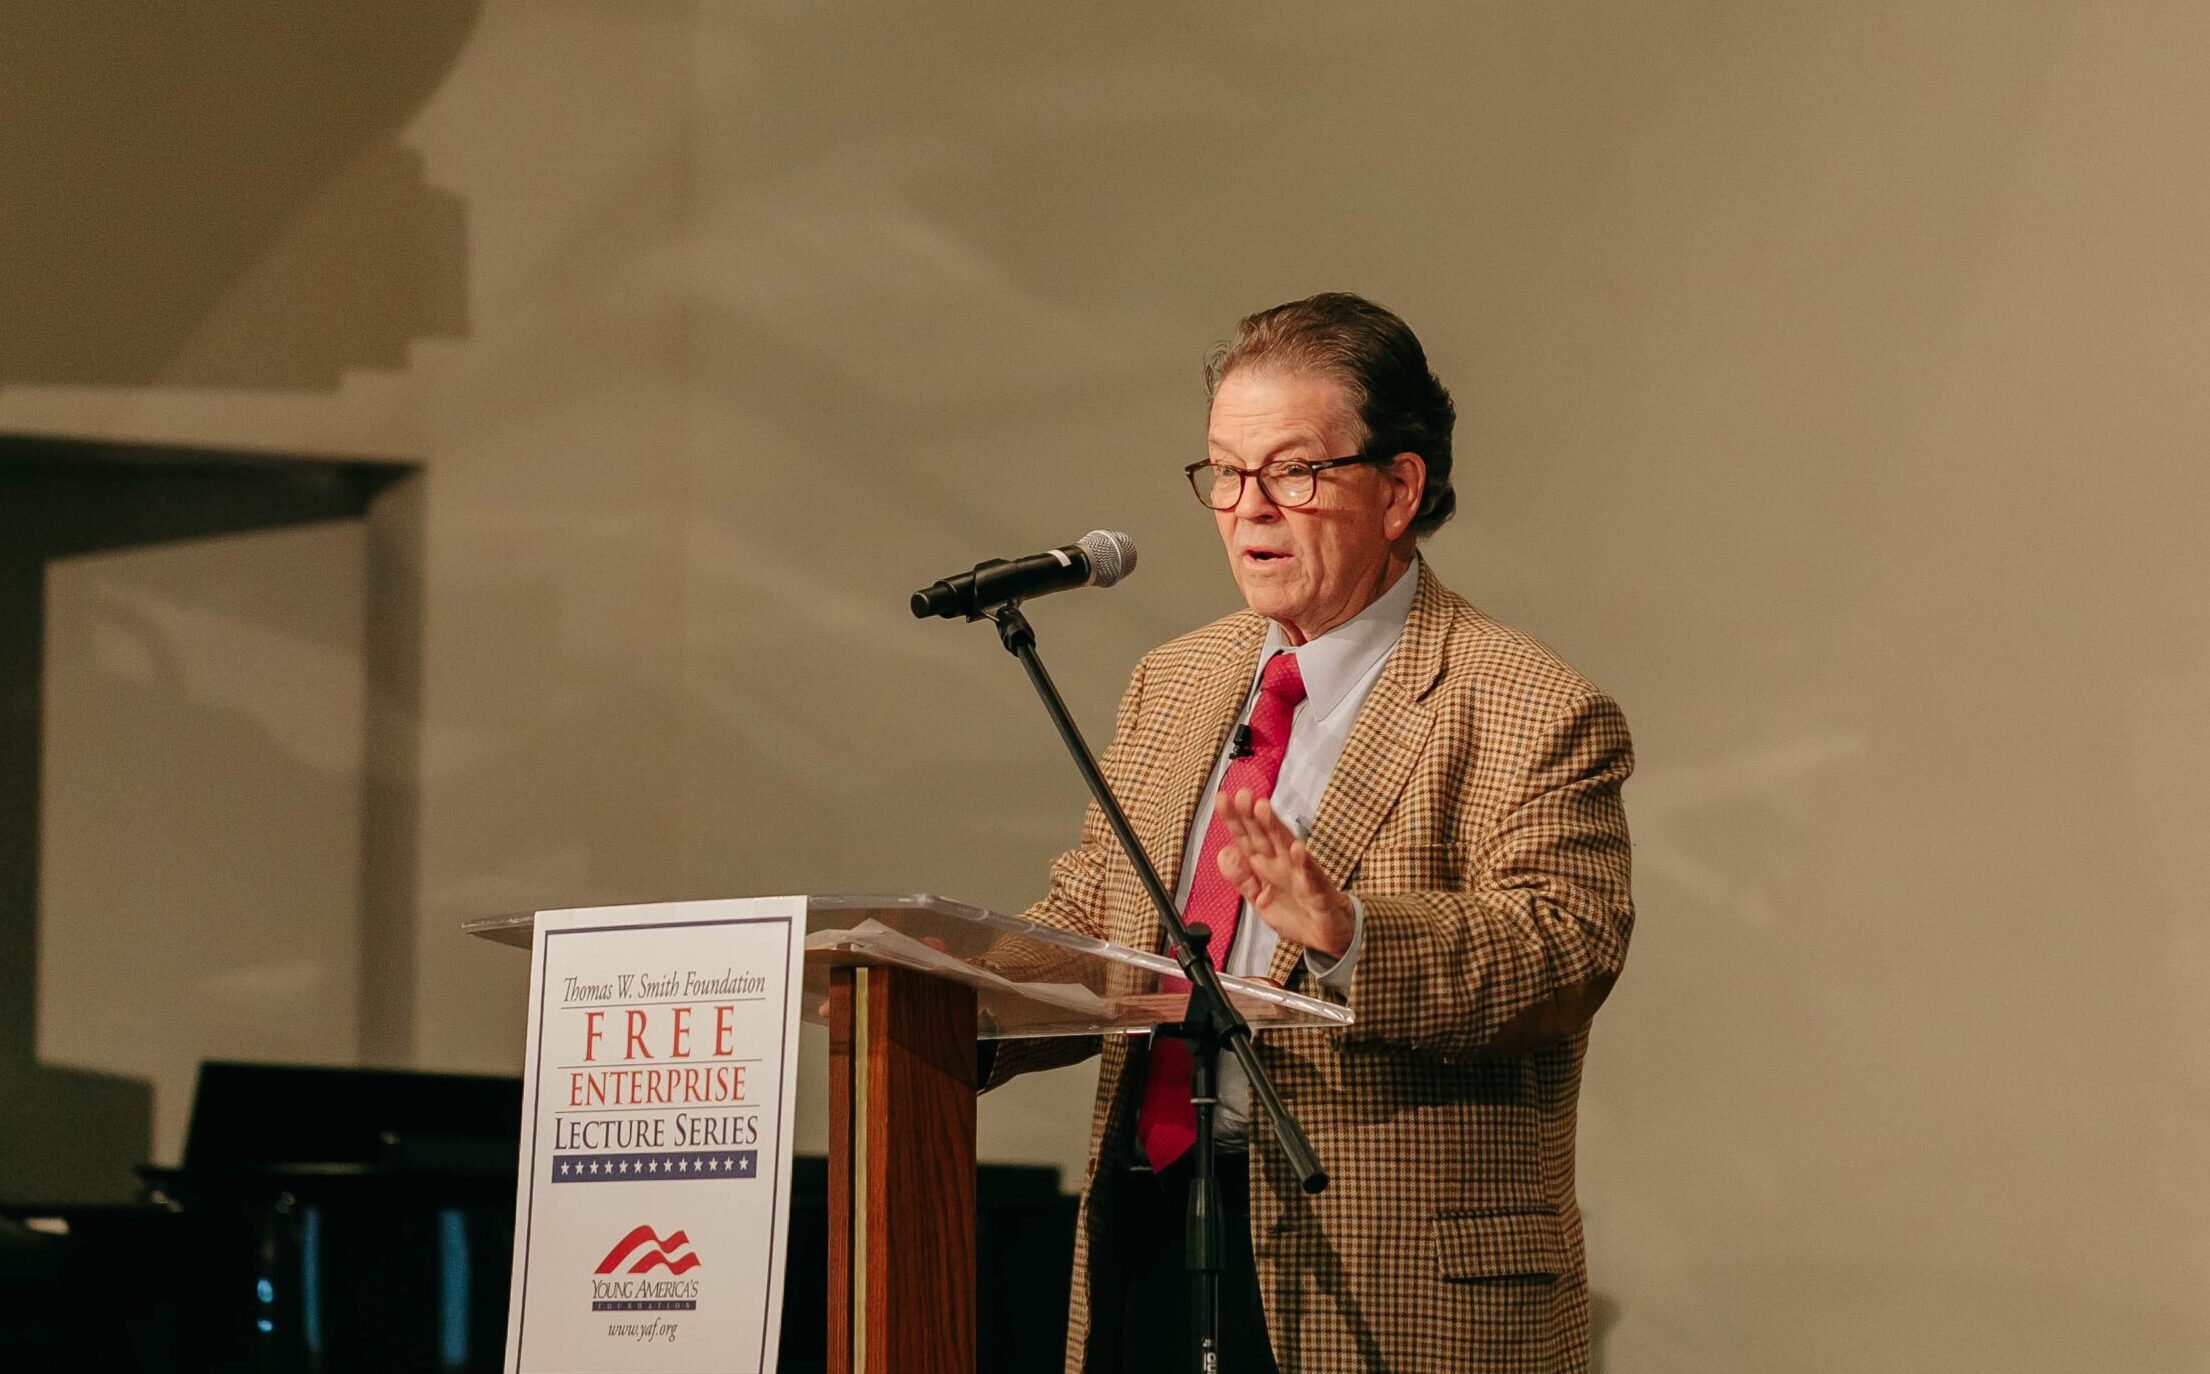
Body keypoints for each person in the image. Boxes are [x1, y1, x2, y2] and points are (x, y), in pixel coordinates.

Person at [985, 292, 1635, 1373]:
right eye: (1224, 473)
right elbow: (1096, 916)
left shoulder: (1528, 703)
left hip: (1384, 1280)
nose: (1249, 511)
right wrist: (946, 1002)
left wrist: (1351, 934)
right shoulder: (1174, 680)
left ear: (1399, 489)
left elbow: (1562, 947)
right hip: (1150, 1234)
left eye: (1291, 472)